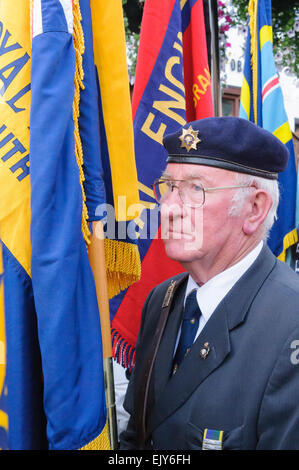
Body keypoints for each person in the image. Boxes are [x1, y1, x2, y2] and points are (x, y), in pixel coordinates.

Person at [119, 117, 299, 450]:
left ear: (255, 208)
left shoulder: (291, 321)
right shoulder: (162, 299)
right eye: (169, 186)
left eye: (195, 189)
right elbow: (138, 437)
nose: (168, 207)